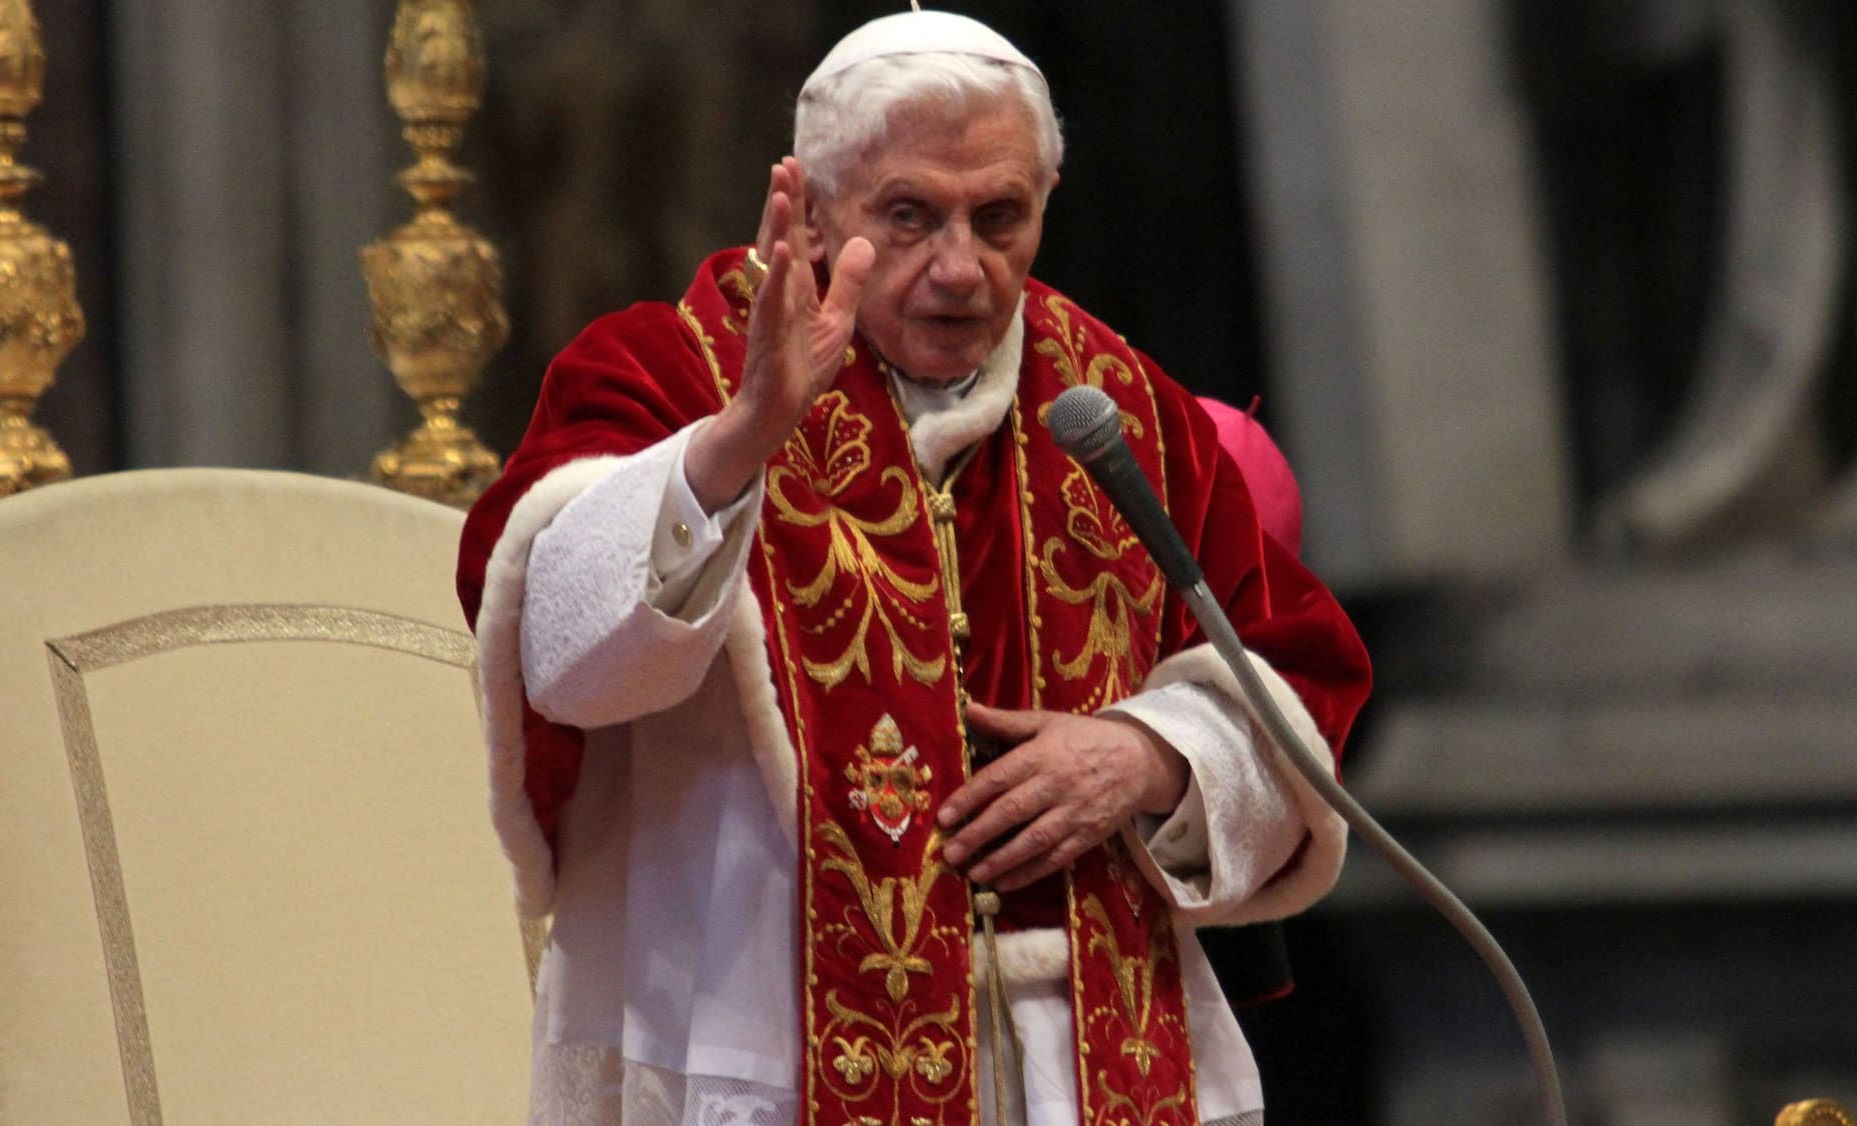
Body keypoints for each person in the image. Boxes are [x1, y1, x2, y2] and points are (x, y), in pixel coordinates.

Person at [457, 11, 1371, 1126]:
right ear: (811, 211)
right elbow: (559, 666)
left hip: (1082, 1057)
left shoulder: (1121, 412)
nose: (959, 269)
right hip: (761, 1041)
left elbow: (1292, 685)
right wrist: (738, 440)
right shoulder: (665, 372)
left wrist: (1151, 756)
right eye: (908, 216)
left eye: (1000, 218)